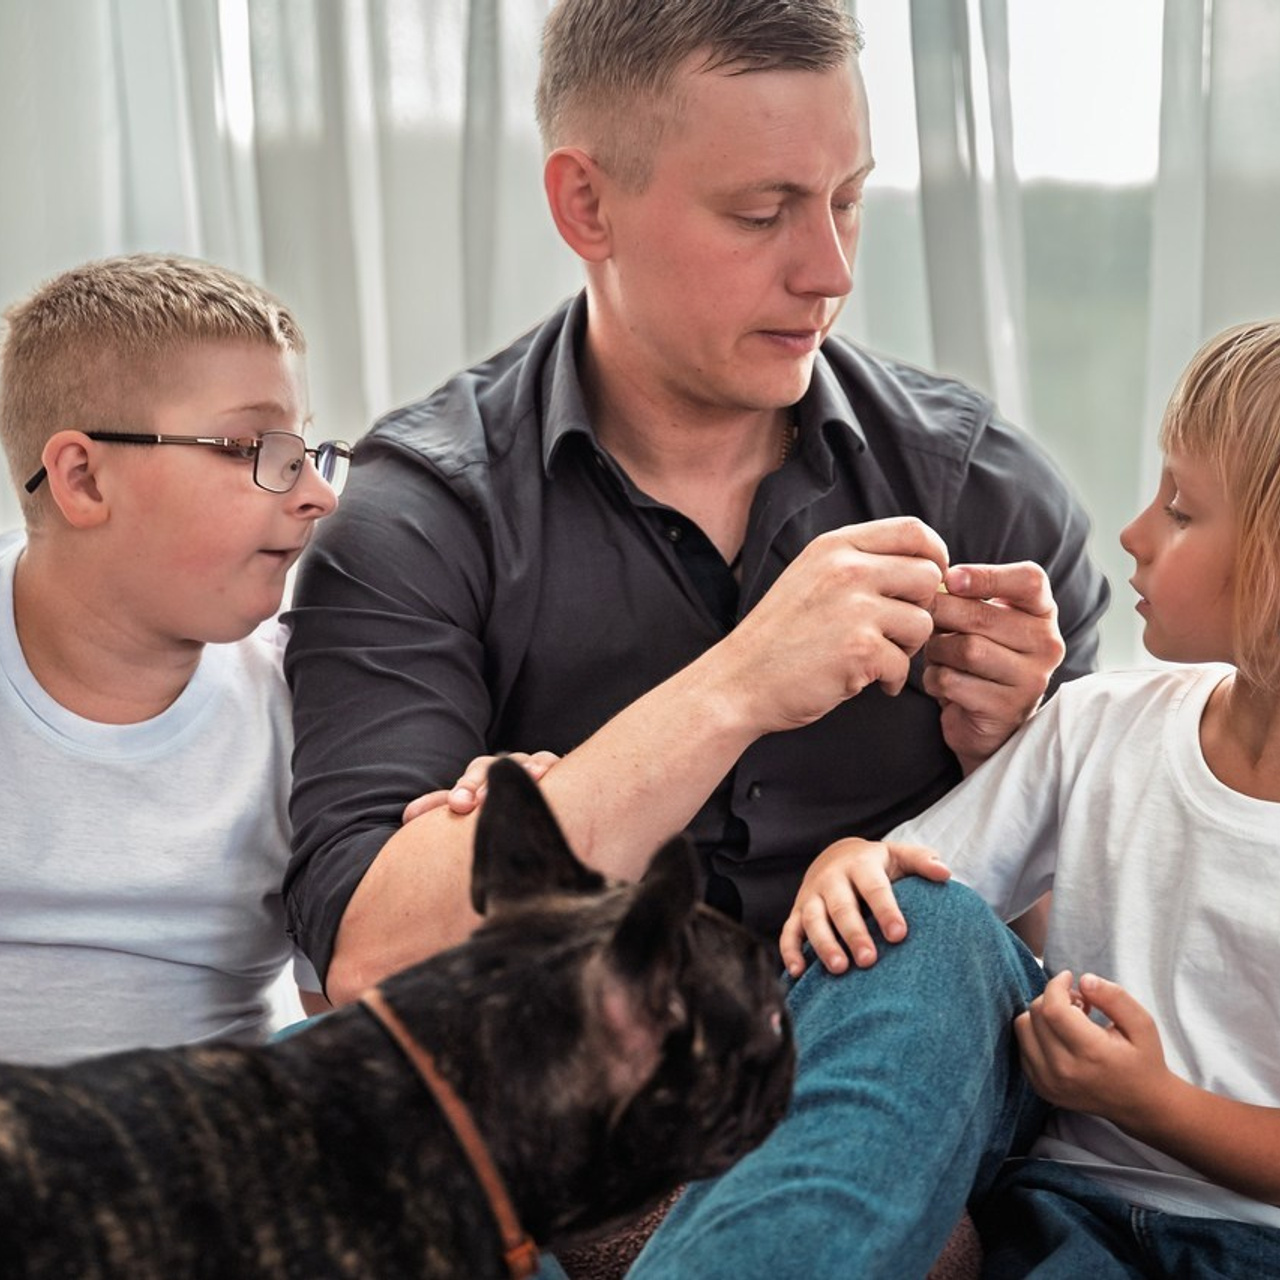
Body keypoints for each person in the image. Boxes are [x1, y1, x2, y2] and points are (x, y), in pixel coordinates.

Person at [284, 0, 1108, 1007]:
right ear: (586, 205)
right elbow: (371, 956)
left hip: (891, 1079)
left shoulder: (989, 495)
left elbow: (1071, 990)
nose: (828, 271)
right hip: (567, 1095)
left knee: (935, 936)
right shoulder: (417, 518)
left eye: (846, 201)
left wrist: (1012, 766)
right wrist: (734, 687)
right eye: (761, 214)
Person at [773, 319, 1280, 1276]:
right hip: (1068, 1215)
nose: (1131, 533)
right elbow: (922, 892)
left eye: (1180, 508)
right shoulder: (1098, 723)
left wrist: (1154, 1104)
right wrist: (851, 861)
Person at [0, 253, 351, 1065]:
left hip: (198, 1163)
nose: (318, 495)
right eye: (248, 447)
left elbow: (351, 1024)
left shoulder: (310, 704)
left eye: (304, 449)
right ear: (83, 479)